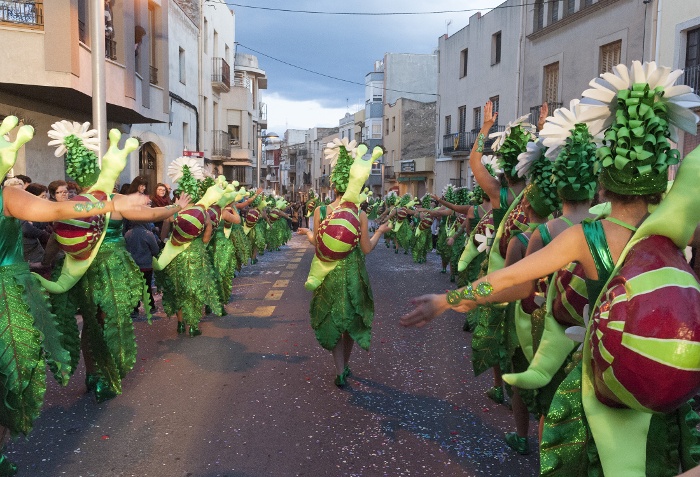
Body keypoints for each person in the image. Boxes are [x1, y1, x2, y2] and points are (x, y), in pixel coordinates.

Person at [401, 61, 700, 476]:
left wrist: (450, 300)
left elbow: (511, 278)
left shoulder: (587, 237)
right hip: (665, 394)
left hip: (603, 385)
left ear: (604, 176)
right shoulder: (676, 233)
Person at [0, 116, 148, 476]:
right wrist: (109, 207)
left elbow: (53, 211)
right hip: (23, 289)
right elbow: (56, 213)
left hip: (21, 290)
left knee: (10, 378)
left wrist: (110, 207)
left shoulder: (8, 194)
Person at [298, 141, 390, 388]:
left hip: (327, 272)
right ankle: (345, 367)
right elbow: (366, 249)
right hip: (352, 273)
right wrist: (380, 231)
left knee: (334, 320)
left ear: (333, 186)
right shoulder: (359, 213)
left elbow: (319, 246)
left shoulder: (320, 210)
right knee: (349, 323)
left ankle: (340, 369)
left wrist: (308, 236)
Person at [125, 221, 160, 316]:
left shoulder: (128, 234)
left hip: (133, 266)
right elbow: (155, 250)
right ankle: (150, 306)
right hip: (146, 266)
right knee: (147, 287)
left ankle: (135, 309)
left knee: (134, 287)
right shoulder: (148, 234)